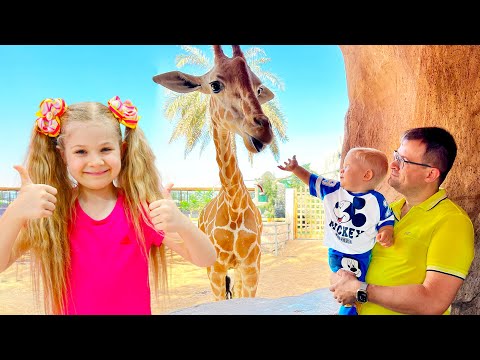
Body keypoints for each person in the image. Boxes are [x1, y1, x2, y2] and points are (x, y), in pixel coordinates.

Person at [0, 96, 216, 315]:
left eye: (105, 149)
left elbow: (206, 258)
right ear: (62, 155)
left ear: (121, 150)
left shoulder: (141, 210)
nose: (96, 161)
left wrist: (181, 223)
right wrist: (14, 213)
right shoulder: (52, 213)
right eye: (81, 151)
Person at [329, 127, 475, 315]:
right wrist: (341, 279)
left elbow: (432, 302)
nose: (393, 165)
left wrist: (360, 291)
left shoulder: (452, 222)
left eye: (403, 161)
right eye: (396, 155)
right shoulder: (388, 210)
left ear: (430, 174)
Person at [278, 148, 394, 315]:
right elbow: (313, 180)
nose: (341, 170)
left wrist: (386, 231)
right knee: (343, 284)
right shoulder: (333, 190)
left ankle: (349, 308)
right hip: (336, 253)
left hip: (360, 255)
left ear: (367, 175)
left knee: (352, 289)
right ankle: (348, 305)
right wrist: (296, 169)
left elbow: (386, 219)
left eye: (347, 166)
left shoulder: (376, 200)